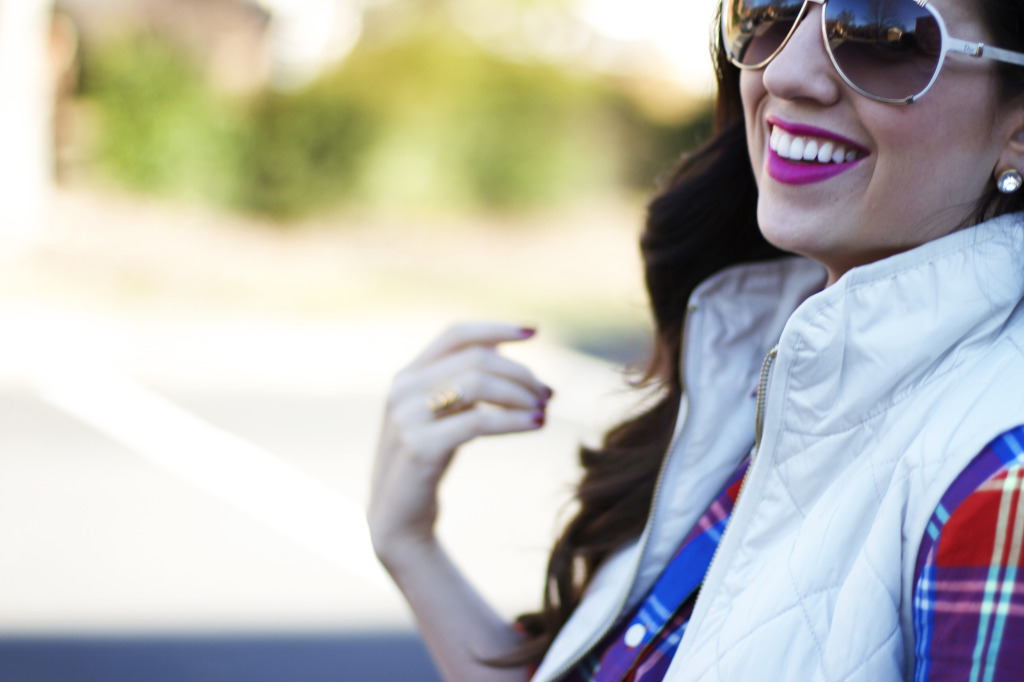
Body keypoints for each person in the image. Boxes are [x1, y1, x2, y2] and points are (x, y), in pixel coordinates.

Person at [368, 0, 1024, 679]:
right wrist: (408, 545)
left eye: (877, 31)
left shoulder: (1003, 487)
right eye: (769, 10)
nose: (786, 72)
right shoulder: (772, 360)